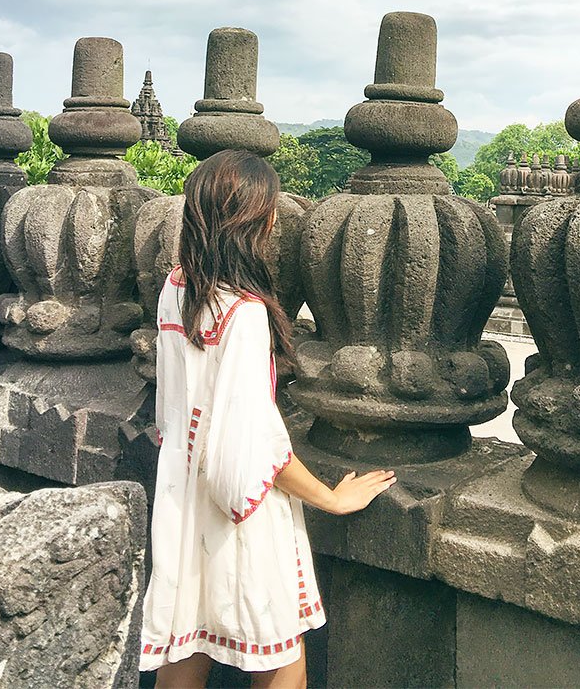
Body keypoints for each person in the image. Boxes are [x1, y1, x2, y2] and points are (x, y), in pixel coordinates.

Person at [140, 149, 396, 689]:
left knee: (189, 643)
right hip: (242, 507)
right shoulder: (245, 312)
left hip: (183, 494)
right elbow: (249, 446)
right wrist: (330, 496)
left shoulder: (176, 288)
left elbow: (173, 411)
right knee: (282, 650)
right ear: (256, 221)